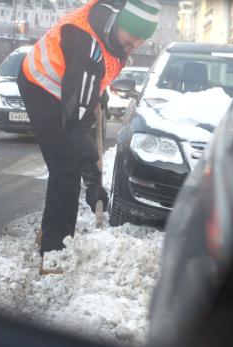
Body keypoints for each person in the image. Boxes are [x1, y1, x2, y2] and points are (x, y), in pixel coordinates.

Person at [17, 0, 161, 274]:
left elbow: (88, 87)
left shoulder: (116, 30)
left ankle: (49, 233)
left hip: (69, 84)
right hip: (41, 87)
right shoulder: (87, 47)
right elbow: (75, 125)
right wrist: (93, 181)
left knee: (68, 162)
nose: (134, 47)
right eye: (131, 39)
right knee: (66, 167)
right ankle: (53, 252)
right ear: (119, 24)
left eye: (140, 42)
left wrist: (96, 91)